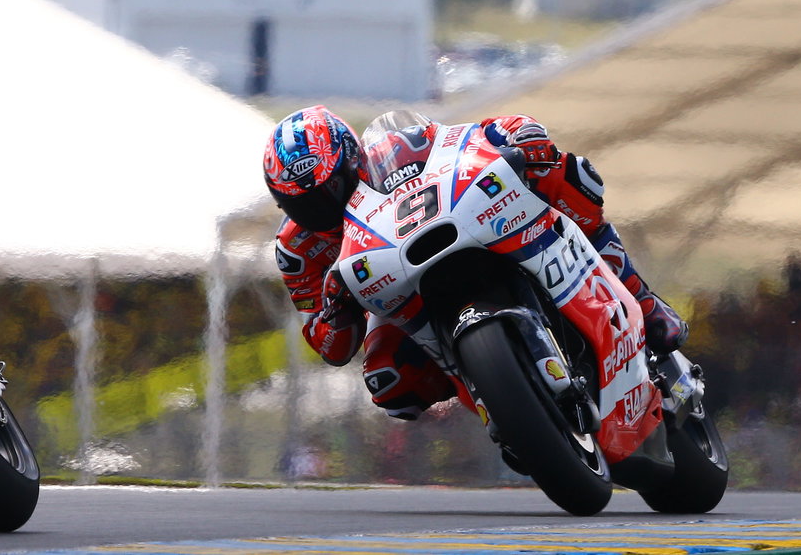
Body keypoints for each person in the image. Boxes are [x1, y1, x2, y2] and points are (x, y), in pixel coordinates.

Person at [262, 104, 687, 421]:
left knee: (569, 176)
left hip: (450, 226)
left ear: (352, 157)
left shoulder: (395, 147)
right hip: (391, 292)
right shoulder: (296, 250)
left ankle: (642, 299)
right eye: (303, 204)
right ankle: (498, 397)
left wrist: (517, 135)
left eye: (330, 188)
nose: (322, 207)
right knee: (387, 381)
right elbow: (330, 347)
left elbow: (463, 139)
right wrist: (336, 307)